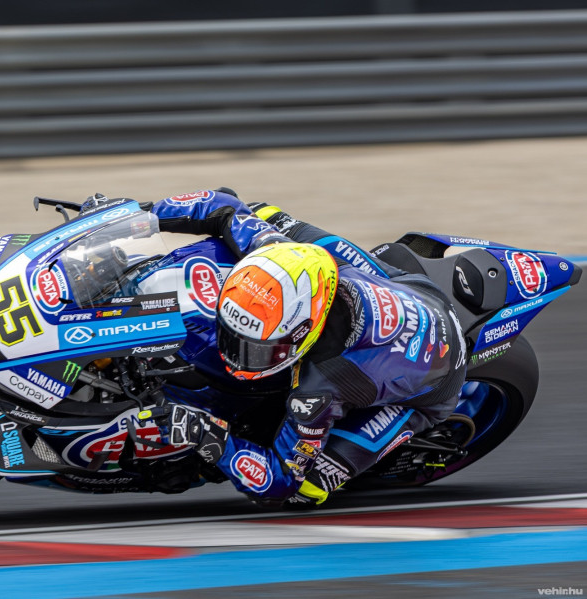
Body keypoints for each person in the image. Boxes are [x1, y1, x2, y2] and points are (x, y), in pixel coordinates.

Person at [143, 188, 468, 507]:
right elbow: (223, 205)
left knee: (306, 489)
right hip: (413, 289)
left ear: (304, 333)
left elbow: (280, 480)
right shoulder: (276, 249)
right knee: (266, 214)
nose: (236, 356)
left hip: (438, 380)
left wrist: (208, 437)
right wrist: (140, 215)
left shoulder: (320, 387)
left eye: (257, 349)